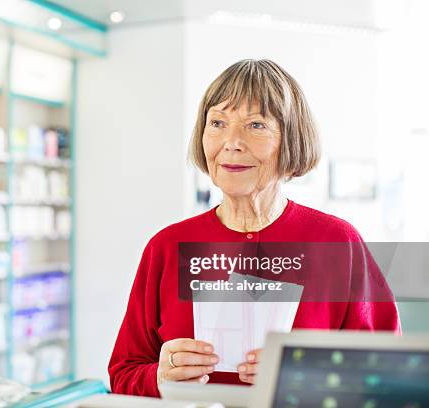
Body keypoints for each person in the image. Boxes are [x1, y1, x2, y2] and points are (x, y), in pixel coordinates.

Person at [108, 59, 400, 397]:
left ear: (291, 138)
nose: (231, 142)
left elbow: (389, 373)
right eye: (217, 122)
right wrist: (159, 377)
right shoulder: (167, 245)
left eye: (256, 125)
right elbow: (123, 373)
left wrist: (316, 378)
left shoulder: (337, 242)